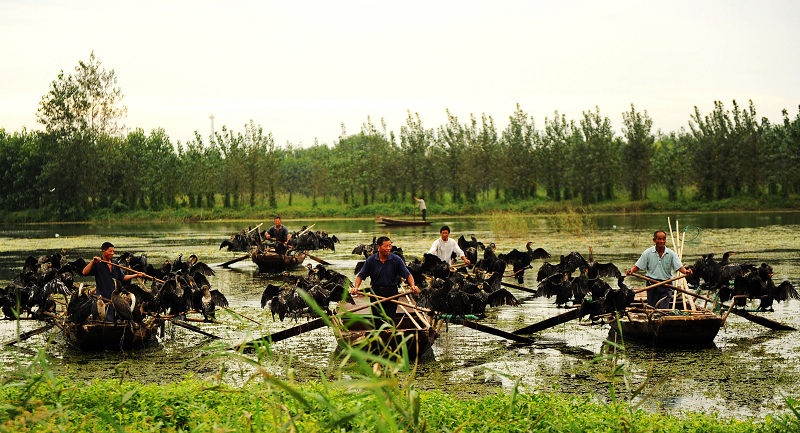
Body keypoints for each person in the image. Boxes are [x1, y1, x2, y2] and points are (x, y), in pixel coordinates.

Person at [349, 236, 418, 325]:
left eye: (390, 246)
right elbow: (361, 276)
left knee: (389, 320)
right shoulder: (371, 260)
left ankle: (389, 334)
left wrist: (412, 286)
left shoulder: (396, 260)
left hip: (392, 294)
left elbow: (408, 275)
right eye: (386, 246)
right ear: (378, 247)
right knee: (377, 321)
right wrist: (356, 287)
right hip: (376, 294)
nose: (389, 248)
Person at [626, 230, 692, 309]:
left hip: (666, 284)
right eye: (659, 239)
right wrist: (631, 271)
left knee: (663, 310)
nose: (662, 241)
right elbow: (637, 266)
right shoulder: (647, 253)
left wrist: (686, 272)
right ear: (654, 240)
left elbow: (679, 267)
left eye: (664, 239)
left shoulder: (671, 254)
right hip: (651, 285)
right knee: (651, 308)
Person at [82, 242, 145, 322]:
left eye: (113, 251)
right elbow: (84, 272)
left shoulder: (115, 263)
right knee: (108, 320)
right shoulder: (97, 263)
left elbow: (123, 277)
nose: (112, 253)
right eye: (110, 251)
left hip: (115, 298)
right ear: (104, 251)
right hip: (103, 298)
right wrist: (92, 262)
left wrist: (137, 275)